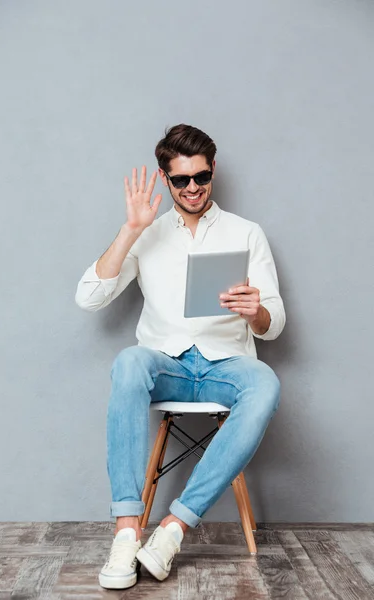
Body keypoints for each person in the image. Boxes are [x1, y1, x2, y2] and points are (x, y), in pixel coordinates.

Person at [75, 124, 286, 590]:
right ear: (165, 179)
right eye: (181, 180)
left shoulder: (246, 233)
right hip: (166, 364)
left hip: (225, 368)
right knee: (129, 361)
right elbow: (89, 297)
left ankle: (173, 530)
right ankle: (127, 531)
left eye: (202, 177)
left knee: (265, 381)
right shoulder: (146, 234)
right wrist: (131, 229)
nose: (193, 188)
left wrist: (257, 314)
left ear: (214, 171)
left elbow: (277, 322)